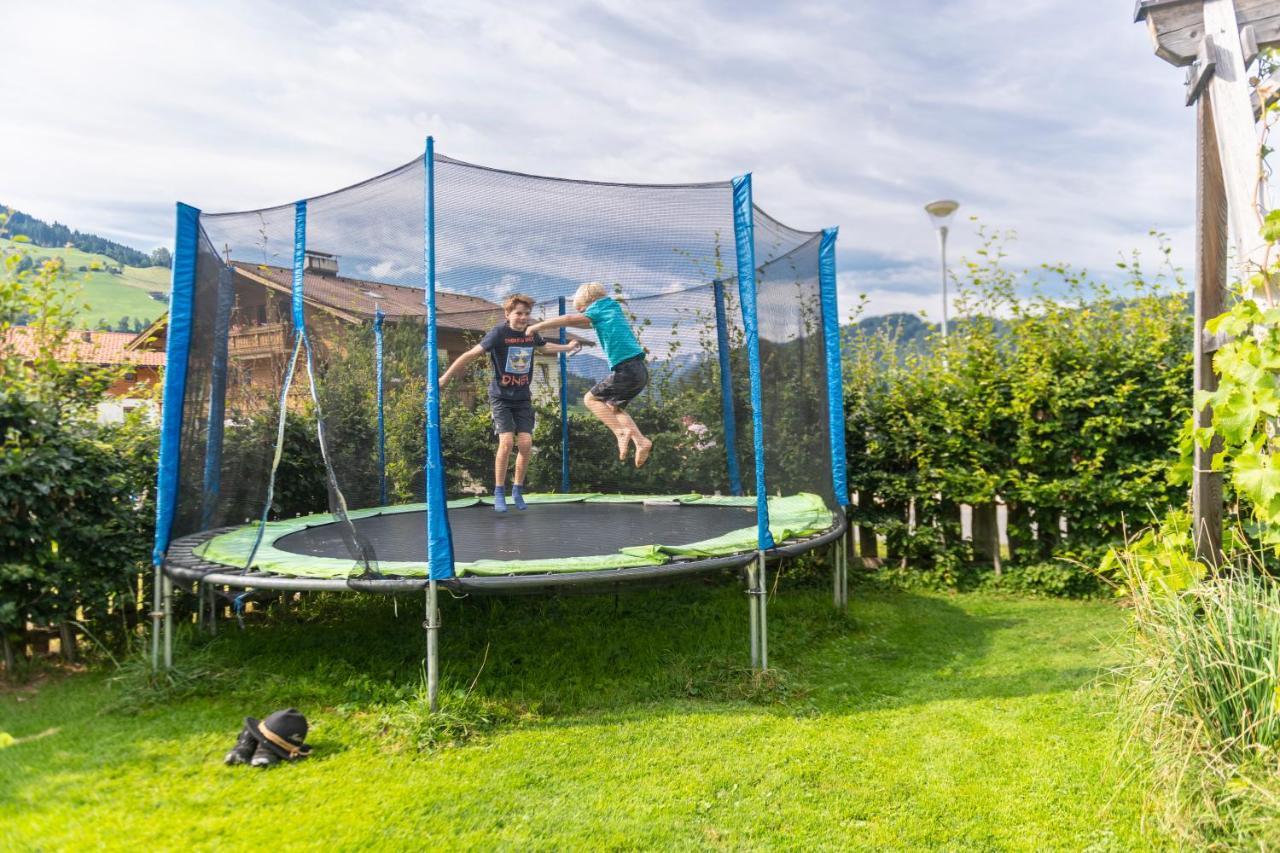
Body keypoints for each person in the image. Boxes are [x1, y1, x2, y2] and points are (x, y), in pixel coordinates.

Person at [440, 293, 580, 511]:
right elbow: (469, 355)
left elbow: (544, 348)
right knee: (506, 443)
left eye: (527, 314)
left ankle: (517, 489)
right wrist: (445, 378)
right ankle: (498, 491)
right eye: (519, 313)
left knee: (525, 444)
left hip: (522, 397)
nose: (523, 318)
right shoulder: (498, 334)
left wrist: (567, 347)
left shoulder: (530, 332)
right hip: (501, 397)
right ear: (507, 314)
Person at [528, 282, 653, 467]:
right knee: (613, 408)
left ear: (588, 302)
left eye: (582, 309)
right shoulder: (611, 308)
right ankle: (641, 441)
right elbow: (586, 324)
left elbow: (570, 319)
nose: (582, 313)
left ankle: (620, 432)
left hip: (626, 369)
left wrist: (537, 327)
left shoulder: (596, 308)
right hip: (639, 370)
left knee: (590, 400)